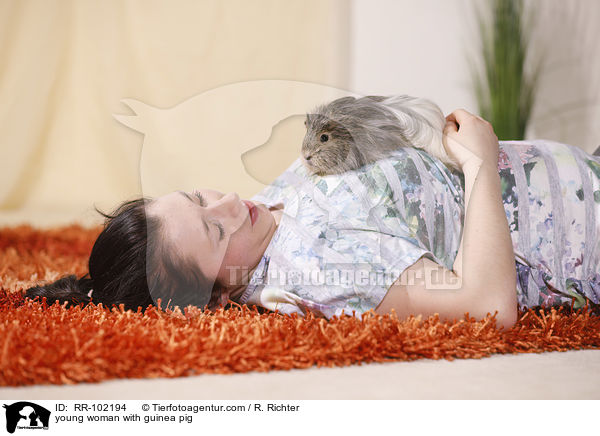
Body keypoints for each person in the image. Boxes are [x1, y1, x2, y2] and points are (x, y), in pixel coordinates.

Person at [25, 109, 600, 331]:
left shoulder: (265, 216)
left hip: (575, 171)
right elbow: (486, 306)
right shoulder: (317, 265)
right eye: (214, 230)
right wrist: (477, 163)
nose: (229, 203)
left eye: (197, 196)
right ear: (219, 295)